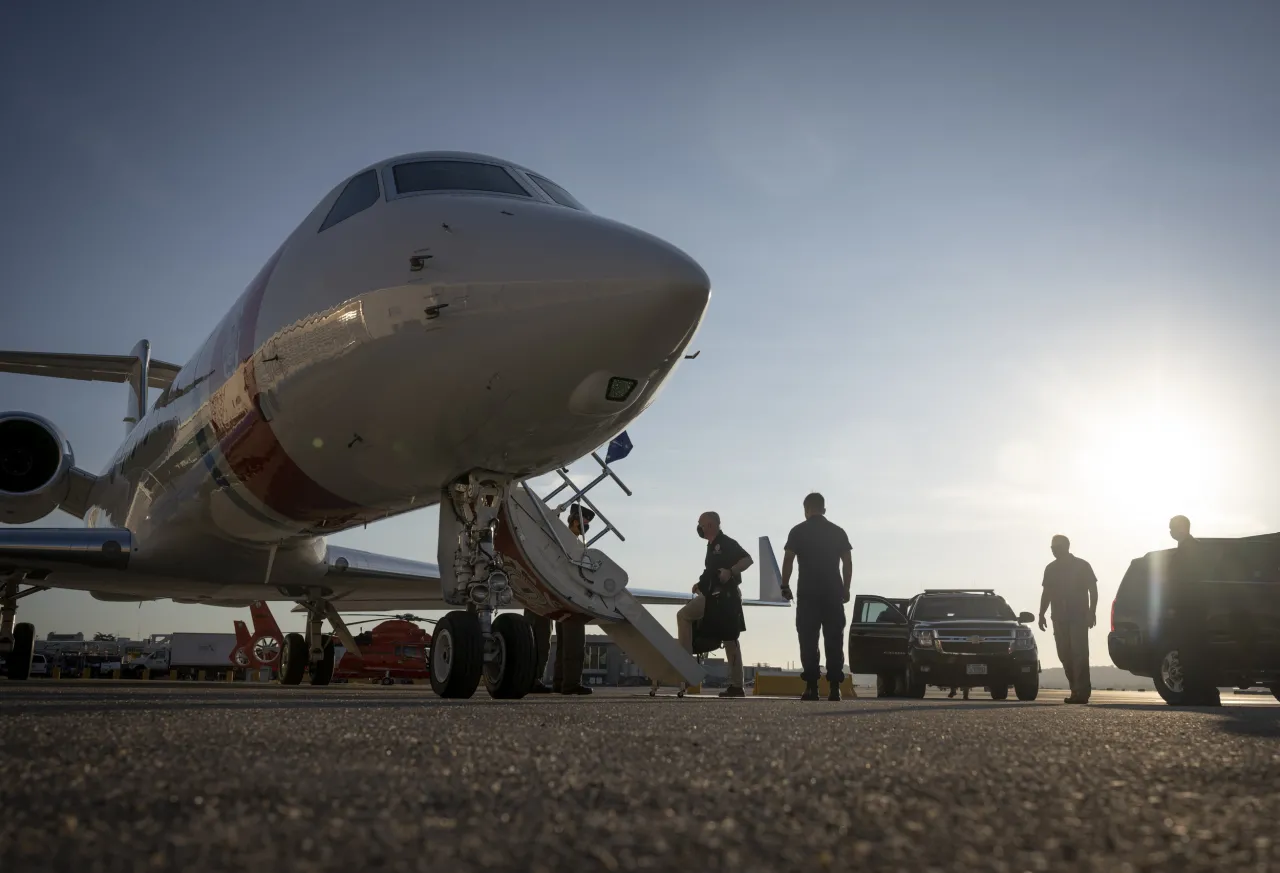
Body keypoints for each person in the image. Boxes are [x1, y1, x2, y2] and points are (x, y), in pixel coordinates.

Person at [780, 492, 853, 701]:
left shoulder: (798, 531)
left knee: (808, 640)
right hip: (833, 594)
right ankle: (834, 689)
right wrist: (846, 588)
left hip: (808, 594)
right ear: (824, 509)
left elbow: (788, 559)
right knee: (834, 640)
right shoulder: (838, 532)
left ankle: (811, 687)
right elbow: (847, 562)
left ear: (806, 510)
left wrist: (784, 585)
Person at [676, 511, 752, 697]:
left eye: (701, 524)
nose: (699, 528)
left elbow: (747, 559)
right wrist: (700, 584)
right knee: (729, 640)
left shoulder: (725, 543)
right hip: (714, 597)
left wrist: (731, 571)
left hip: (725, 597)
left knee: (728, 638)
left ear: (710, 525)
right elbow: (711, 572)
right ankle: (736, 685)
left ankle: (687, 666)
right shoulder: (711, 547)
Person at [525, 503, 596, 695]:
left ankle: (559, 682)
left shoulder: (567, 541)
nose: (586, 526)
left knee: (555, 640)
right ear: (574, 521)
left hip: (554, 594)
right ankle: (568, 683)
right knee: (559, 639)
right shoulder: (563, 541)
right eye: (584, 521)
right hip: (553, 593)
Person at [1037, 534, 1098, 704]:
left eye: (1057, 547)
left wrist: (1092, 611)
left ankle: (1082, 692)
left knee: (1079, 654)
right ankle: (1074, 689)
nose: (1054, 550)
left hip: (1078, 616)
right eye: (1052, 548)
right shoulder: (1050, 569)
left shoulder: (1082, 566)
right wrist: (1041, 614)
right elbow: (1046, 593)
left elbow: (1093, 589)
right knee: (1064, 654)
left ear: (1067, 546)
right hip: (1059, 617)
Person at [1167, 515, 1220, 706]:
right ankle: (1207, 694)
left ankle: (1194, 693)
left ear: (1182, 528)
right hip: (1196, 608)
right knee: (1199, 652)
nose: (1170, 531)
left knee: (1190, 652)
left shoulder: (1188, 551)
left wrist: (1173, 606)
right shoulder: (1196, 549)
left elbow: (1182, 581)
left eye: (1172, 527)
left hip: (1188, 608)